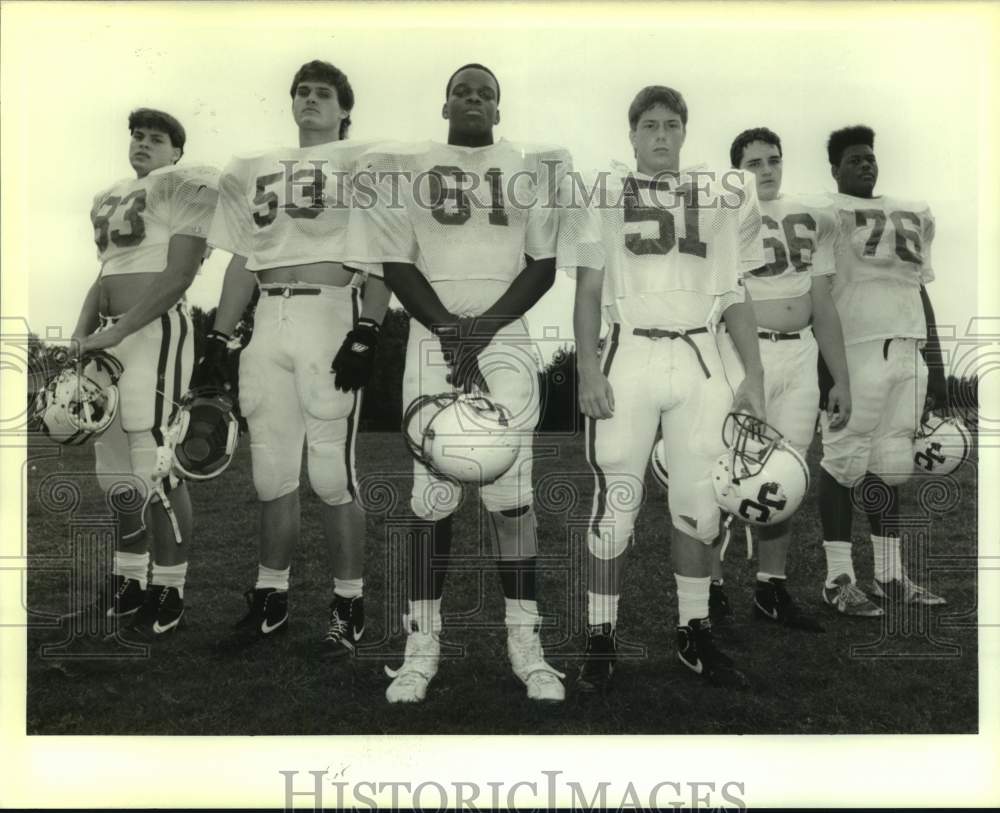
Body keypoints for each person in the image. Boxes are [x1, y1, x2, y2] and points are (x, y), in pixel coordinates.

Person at [348, 63, 569, 703]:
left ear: (499, 109)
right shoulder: (406, 166)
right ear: (444, 103)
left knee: (513, 497)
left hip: (505, 336)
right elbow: (396, 262)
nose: (474, 99)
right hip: (431, 330)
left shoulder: (529, 167)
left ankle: (525, 644)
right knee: (434, 495)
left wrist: (480, 330)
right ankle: (423, 645)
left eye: (487, 93)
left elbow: (544, 264)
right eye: (463, 91)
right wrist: (450, 330)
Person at [564, 86, 767, 692]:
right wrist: (587, 368)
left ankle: (693, 629)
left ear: (684, 132)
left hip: (702, 355)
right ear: (630, 134)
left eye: (672, 124)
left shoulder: (722, 198)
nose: (660, 135)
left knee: (700, 504)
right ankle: (602, 632)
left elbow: (734, 292)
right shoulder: (599, 193)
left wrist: (753, 373)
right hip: (629, 351)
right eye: (649, 124)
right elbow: (588, 291)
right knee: (615, 506)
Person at [198, 59, 390, 655]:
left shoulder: (363, 163)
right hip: (267, 320)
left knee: (331, 475)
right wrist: (217, 338)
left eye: (323, 93)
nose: (310, 99)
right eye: (301, 91)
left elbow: (386, 258)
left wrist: (368, 330)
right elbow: (240, 261)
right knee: (271, 475)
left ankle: (348, 602)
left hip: (328, 311)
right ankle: (271, 598)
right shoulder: (256, 167)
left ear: (343, 110)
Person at [67, 108, 220, 637]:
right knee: (113, 475)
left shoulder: (187, 184)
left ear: (177, 151)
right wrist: (84, 333)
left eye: (157, 138)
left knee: (157, 464)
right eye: (137, 135)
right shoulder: (109, 195)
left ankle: (170, 585)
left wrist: (118, 330)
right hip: (108, 335)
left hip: (155, 333)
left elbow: (179, 275)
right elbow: (105, 272)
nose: (143, 143)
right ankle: (130, 576)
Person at [711, 126, 853, 632]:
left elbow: (823, 302)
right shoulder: (725, 214)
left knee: (787, 474)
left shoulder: (813, 215)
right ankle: (711, 587)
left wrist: (841, 378)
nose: (767, 170)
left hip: (800, 355)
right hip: (746, 356)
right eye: (754, 164)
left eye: (773, 160)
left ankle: (771, 588)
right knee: (728, 471)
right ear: (737, 172)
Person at [816, 125, 947, 614]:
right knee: (842, 462)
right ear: (835, 169)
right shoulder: (828, 214)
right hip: (855, 351)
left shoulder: (910, 212)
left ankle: (890, 576)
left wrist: (935, 362)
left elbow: (919, 287)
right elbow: (818, 295)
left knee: (890, 465)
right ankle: (837, 579)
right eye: (854, 159)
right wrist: (829, 374)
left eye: (870, 157)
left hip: (906, 351)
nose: (866, 164)